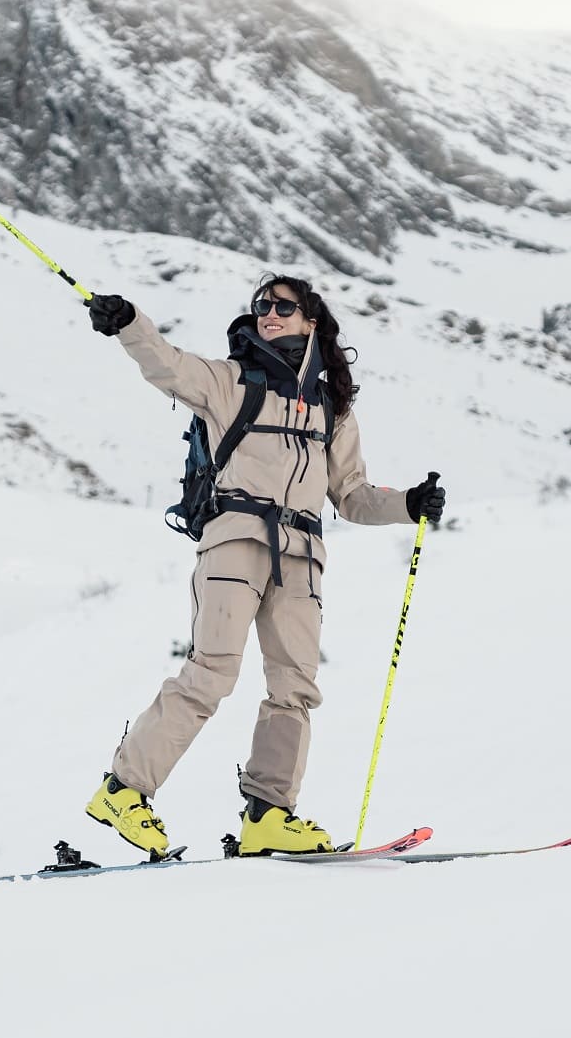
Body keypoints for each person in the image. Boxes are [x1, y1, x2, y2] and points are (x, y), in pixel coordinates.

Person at [81, 275, 445, 857]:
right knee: (212, 672)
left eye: (282, 307)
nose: (268, 314)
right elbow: (168, 365)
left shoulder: (333, 408)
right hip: (235, 542)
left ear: (311, 321)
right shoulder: (231, 382)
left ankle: (269, 815)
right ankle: (123, 791)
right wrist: (128, 323)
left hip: (301, 560)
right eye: (261, 307)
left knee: (295, 688)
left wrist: (407, 504)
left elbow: (350, 495)